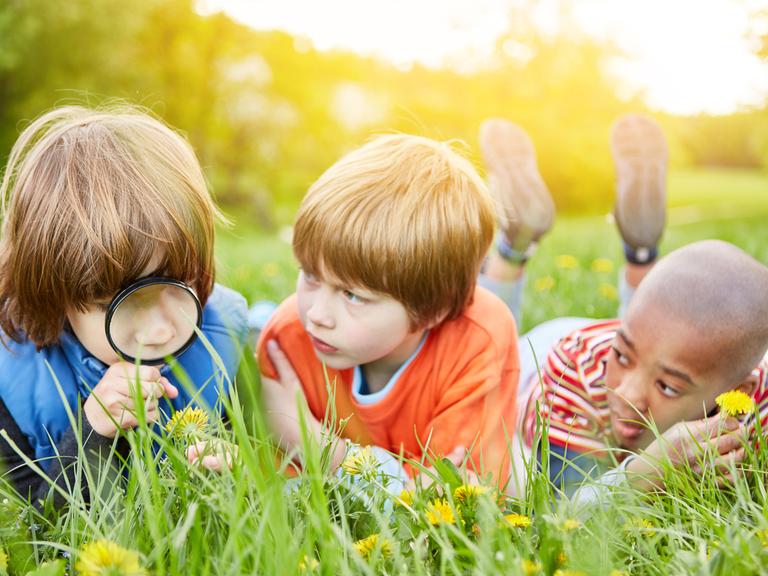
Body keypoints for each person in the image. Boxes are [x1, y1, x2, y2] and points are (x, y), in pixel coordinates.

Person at [477, 115, 768, 497]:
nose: (626, 394)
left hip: (650, 335)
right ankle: (514, 242)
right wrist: (646, 474)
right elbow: (569, 510)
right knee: (486, 351)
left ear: (740, 389)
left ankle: (641, 250)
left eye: (667, 387)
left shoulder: (751, 408)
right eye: (623, 358)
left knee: (660, 341)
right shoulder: (572, 380)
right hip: (551, 354)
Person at [0, 105, 249, 504]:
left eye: (177, 282)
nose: (160, 331)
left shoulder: (226, 342)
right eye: (113, 303)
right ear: (53, 298)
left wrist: (240, 473)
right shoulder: (15, 380)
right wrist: (92, 430)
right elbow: (36, 523)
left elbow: (268, 457)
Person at [255, 134, 519, 485]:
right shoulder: (287, 338)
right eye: (311, 276)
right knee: (255, 325)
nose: (317, 314)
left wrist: (312, 443)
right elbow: (283, 492)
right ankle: (253, 319)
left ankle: (516, 247)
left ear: (432, 310)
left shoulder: (479, 340)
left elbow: (447, 498)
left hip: (525, 388)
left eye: (352, 295)